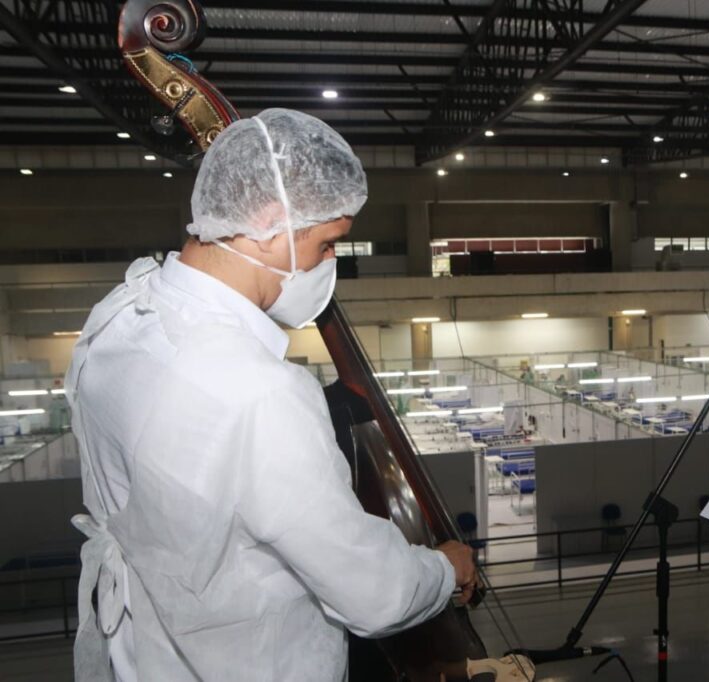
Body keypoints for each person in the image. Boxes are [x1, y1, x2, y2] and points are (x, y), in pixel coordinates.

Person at [65, 109, 476, 682]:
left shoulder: (119, 316)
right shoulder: (258, 390)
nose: (331, 263)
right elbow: (373, 593)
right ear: (269, 222)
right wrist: (442, 569)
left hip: (139, 655)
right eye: (329, 242)